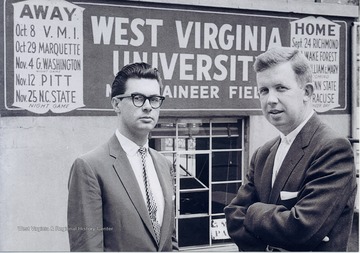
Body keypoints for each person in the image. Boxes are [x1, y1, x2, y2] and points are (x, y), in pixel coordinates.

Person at [224, 47, 357, 251]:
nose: (271, 100)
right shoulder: (262, 154)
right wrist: (280, 233)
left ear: (307, 92)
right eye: (264, 90)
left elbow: (300, 229)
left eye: (281, 88)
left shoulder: (333, 149)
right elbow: (233, 216)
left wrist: (252, 211)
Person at [67, 62, 178, 251]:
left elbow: (170, 241)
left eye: (154, 99)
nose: (147, 107)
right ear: (116, 104)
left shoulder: (164, 165)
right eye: (138, 98)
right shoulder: (89, 167)